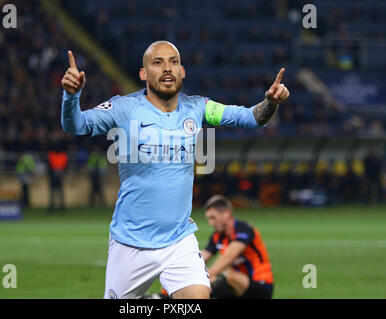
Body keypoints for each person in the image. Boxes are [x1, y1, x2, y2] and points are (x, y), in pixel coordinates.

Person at [61, 41, 289, 299]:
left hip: (178, 240)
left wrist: (271, 103)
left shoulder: (199, 107)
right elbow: (76, 125)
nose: (167, 68)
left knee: (198, 298)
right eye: (157, 63)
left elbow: (249, 117)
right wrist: (71, 96)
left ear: (182, 71)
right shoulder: (124, 108)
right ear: (143, 74)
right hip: (131, 242)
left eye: (173, 62)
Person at [203, 195, 274, 299]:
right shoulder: (216, 236)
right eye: (209, 219)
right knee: (215, 278)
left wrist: (208, 275)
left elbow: (230, 255)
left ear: (226, 214)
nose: (211, 223)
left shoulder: (244, 229)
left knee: (226, 275)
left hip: (261, 284)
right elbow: (202, 257)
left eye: (213, 217)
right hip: (236, 286)